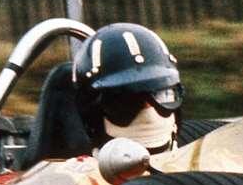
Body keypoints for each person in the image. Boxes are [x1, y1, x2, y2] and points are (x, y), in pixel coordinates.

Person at [73, 21, 185, 153]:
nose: (149, 112)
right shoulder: (74, 172)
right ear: (92, 116)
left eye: (163, 93)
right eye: (127, 100)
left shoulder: (198, 158)